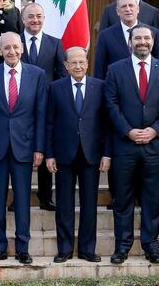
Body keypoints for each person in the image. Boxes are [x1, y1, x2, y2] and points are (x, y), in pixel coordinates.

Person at [105, 25, 159, 265]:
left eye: (147, 38)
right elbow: (111, 105)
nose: (143, 42)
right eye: (138, 38)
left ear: (153, 42)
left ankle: (151, 245)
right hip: (124, 146)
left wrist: (156, 130)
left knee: (151, 198)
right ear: (130, 42)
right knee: (123, 199)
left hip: (154, 146)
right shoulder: (115, 70)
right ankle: (122, 246)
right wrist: (128, 131)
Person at [0, 32, 47, 265]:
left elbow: (40, 114)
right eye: (6, 48)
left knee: (22, 200)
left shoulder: (37, 75)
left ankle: (22, 248)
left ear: (22, 48)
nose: (12, 51)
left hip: (24, 148)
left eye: (15, 47)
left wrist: (39, 148)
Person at [45, 47, 110, 263]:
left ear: (87, 63)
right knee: (64, 204)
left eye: (81, 62)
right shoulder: (55, 88)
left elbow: (106, 123)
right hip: (64, 154)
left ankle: (86, 249)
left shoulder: (100, 87)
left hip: (91, 155)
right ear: (66, 65)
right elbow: (49, 123)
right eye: (73, 63)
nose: (78, 66)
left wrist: (106, 153)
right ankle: (64, 249)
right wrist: (50, 154)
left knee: (89, 204)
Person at [20, 2, 67, 211]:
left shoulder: (55, 43)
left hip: (46, 106)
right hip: (18, 107)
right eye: (30, 16)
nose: (35, 20)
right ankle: (18, 198)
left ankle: (45, 196)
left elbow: (61, 75)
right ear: (23, 19)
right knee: (19, 153)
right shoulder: (14, 42)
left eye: (39, 16)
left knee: (45, 147)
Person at [94, 0, 159, 80]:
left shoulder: (153, 32)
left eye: (131, 5)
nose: (128, 9)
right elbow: (99, 69)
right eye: (124, 6)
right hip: (117, 88)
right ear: (117, 11)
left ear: (138, 9)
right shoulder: (105, 36)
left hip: (146, 86)